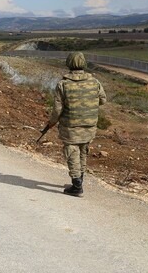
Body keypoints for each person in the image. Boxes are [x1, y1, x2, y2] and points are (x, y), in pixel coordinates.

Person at [45, 52, 106, 197]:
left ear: (69, 63)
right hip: (90, 124)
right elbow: (103, 100)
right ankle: (80, 179)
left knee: (72, 151)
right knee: (83, 150)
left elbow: (57, 109)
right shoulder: (95, 82)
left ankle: (77, 184)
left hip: (70, 126)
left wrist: (52, 122)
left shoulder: (63, 84)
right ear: (84, 63)